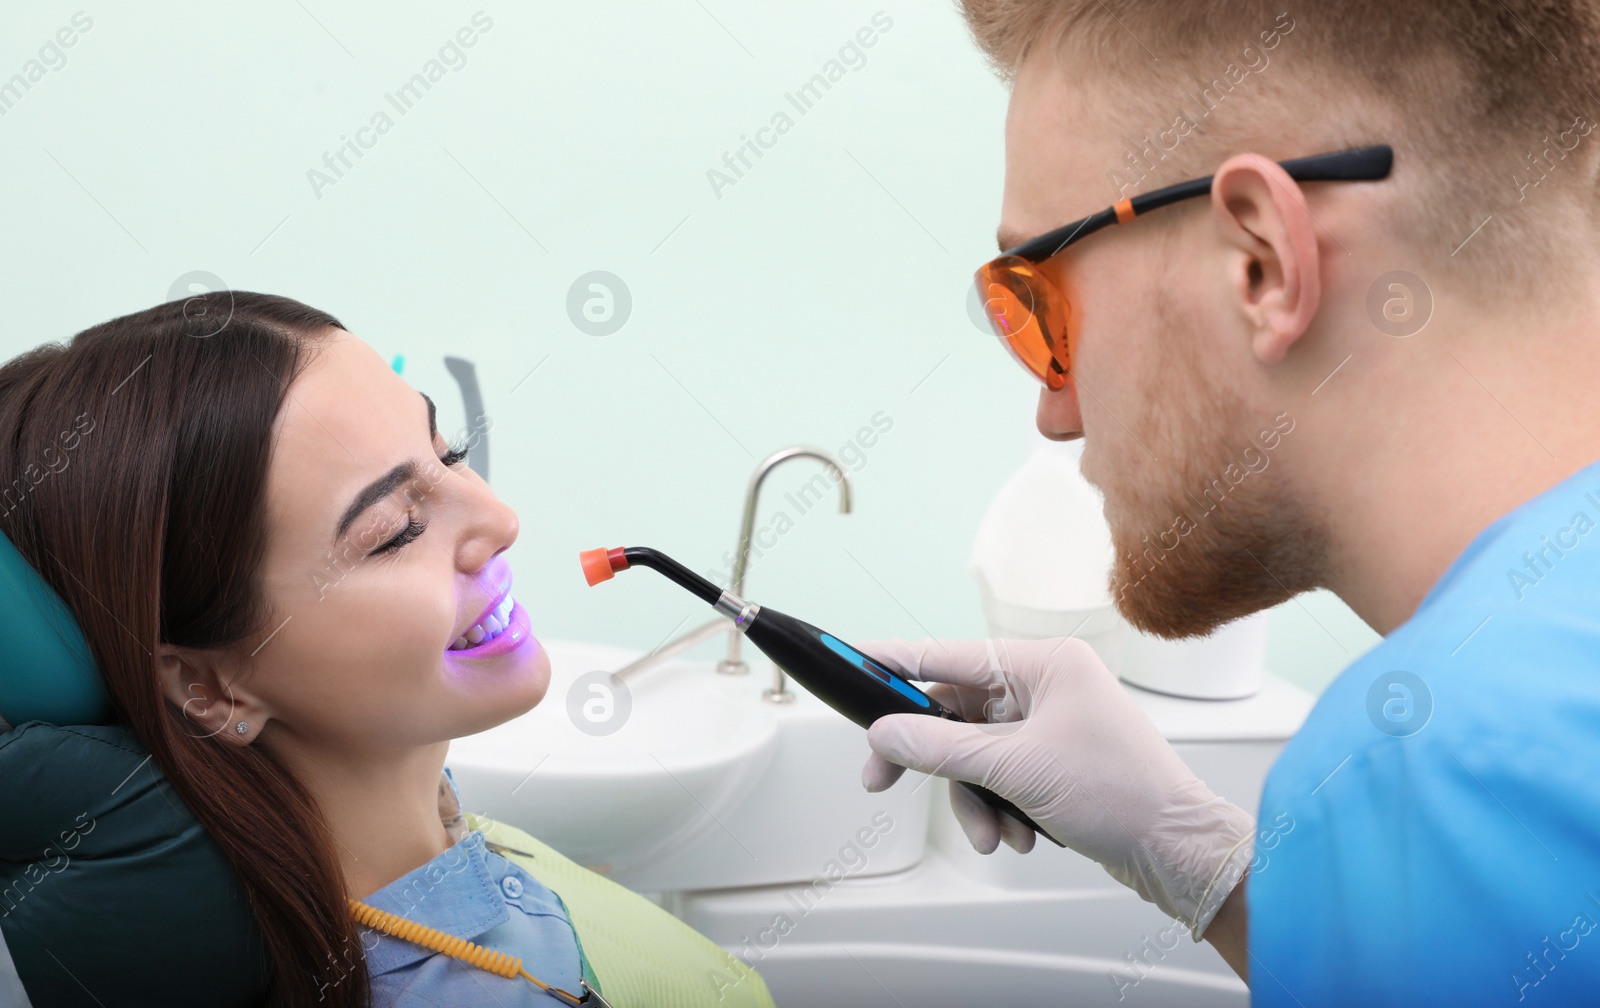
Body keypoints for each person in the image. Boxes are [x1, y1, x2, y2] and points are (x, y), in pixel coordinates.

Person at [857, 1, 1600, 1004]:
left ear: (1261, 263)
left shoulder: (1452, 773)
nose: (1054, 410)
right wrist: (1203, 865)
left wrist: (1389, 837)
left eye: (1040, 307)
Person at [0, 293, 775, 1007]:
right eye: (396, 531)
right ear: (212, 685)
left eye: (451, 451)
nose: (500, 518)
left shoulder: (445, 836)